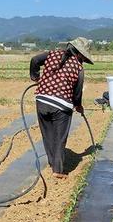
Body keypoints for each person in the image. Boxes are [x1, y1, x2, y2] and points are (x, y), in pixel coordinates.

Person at [29, 37, 93, 179]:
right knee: (60, 137)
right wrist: (78, 106)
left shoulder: (52, 54)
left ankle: (52, 163)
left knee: (48, 134)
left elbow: (34, 60)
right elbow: (77, 92)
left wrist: (35, 77)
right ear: (80, 54)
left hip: (42, 100)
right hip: (62, 106)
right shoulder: (78, 68)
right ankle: (57, 170)